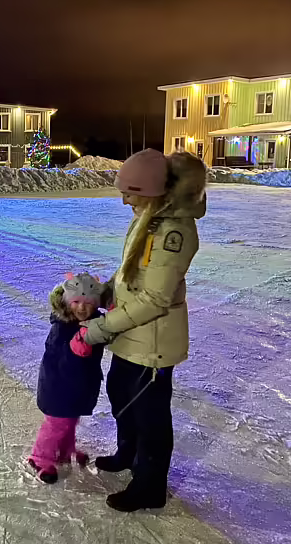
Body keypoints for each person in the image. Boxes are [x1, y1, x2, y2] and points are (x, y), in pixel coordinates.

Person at [72, 149, 207, 512]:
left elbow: (154, 298)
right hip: (131, 335)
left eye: (129, 193)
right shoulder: (149, 217)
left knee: (150, 416)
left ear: (150, 191)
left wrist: (100, 328)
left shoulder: (173, 231)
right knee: (120, 393)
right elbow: (130, 272)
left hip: (153, 342)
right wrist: (102, 293)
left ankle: (150, 486)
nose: (124, 201)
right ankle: (128, 453)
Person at [27, 273, 106, 484]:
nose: (82, 308)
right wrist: (74, 350)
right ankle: (40, 458)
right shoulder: (62, 326)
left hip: (79, 386)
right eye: (76, 302)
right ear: (67, 301)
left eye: (88, 303)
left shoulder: (93, 322)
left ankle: (64, 451)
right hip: (58, 387)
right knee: (57, 424)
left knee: (69, 422)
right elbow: (58, 357)